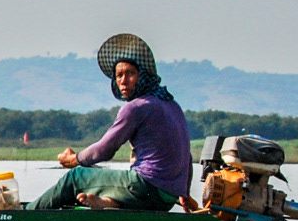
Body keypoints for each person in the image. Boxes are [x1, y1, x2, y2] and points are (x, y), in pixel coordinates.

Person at [34, 34, 192, 212]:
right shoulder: (172, 104)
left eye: (131, 74)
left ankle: (24, 215)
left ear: (143, 76)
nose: (123, 81)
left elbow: (105, 149)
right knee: (94, 169)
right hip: (166, 198)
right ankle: (108, 202)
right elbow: (187, 156)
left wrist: (74, 159)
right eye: (119, 75)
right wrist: (184, 194)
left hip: (146, 188)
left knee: (76, 177)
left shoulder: (136, 107)